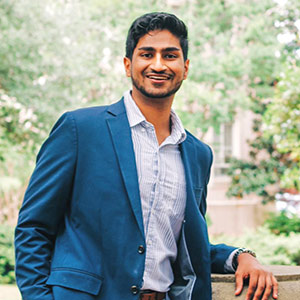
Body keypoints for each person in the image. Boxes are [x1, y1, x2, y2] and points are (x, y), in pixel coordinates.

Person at [15, 12, 278, 300]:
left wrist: (242, 257)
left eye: (170, 55)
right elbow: (33, 227)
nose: (158, 64)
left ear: (185, 67)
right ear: (128, 65)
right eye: (147, 54)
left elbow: (181, 244)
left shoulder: (198, 154)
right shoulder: (80, 130)